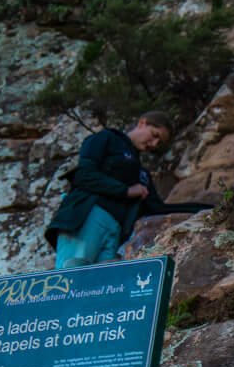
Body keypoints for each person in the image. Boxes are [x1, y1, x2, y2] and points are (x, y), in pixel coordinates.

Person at [44, 112, 211, 269]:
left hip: (115, 232)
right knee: (71, 274)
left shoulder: (141, 173)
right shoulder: (107, 138)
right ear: (142, 123)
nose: (153, 144)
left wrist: (205, 209)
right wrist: (125, 190)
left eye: (158, 143)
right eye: (154, 135)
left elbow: (158, 209)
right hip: (88, 215)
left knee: (99, 287)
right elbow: (84, 175)